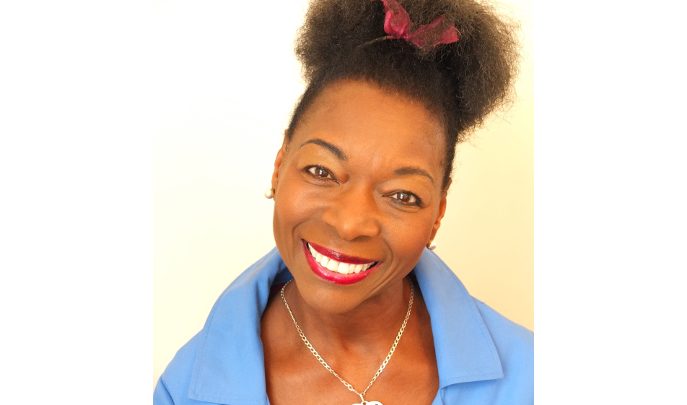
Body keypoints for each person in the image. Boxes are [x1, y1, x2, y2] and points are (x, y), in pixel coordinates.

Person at [155, 0, 532, 403]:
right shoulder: (185, 391)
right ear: (280, 165)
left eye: (402, 196)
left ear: (438, 212)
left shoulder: (535, 378)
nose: (350, 223)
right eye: (322, 172)